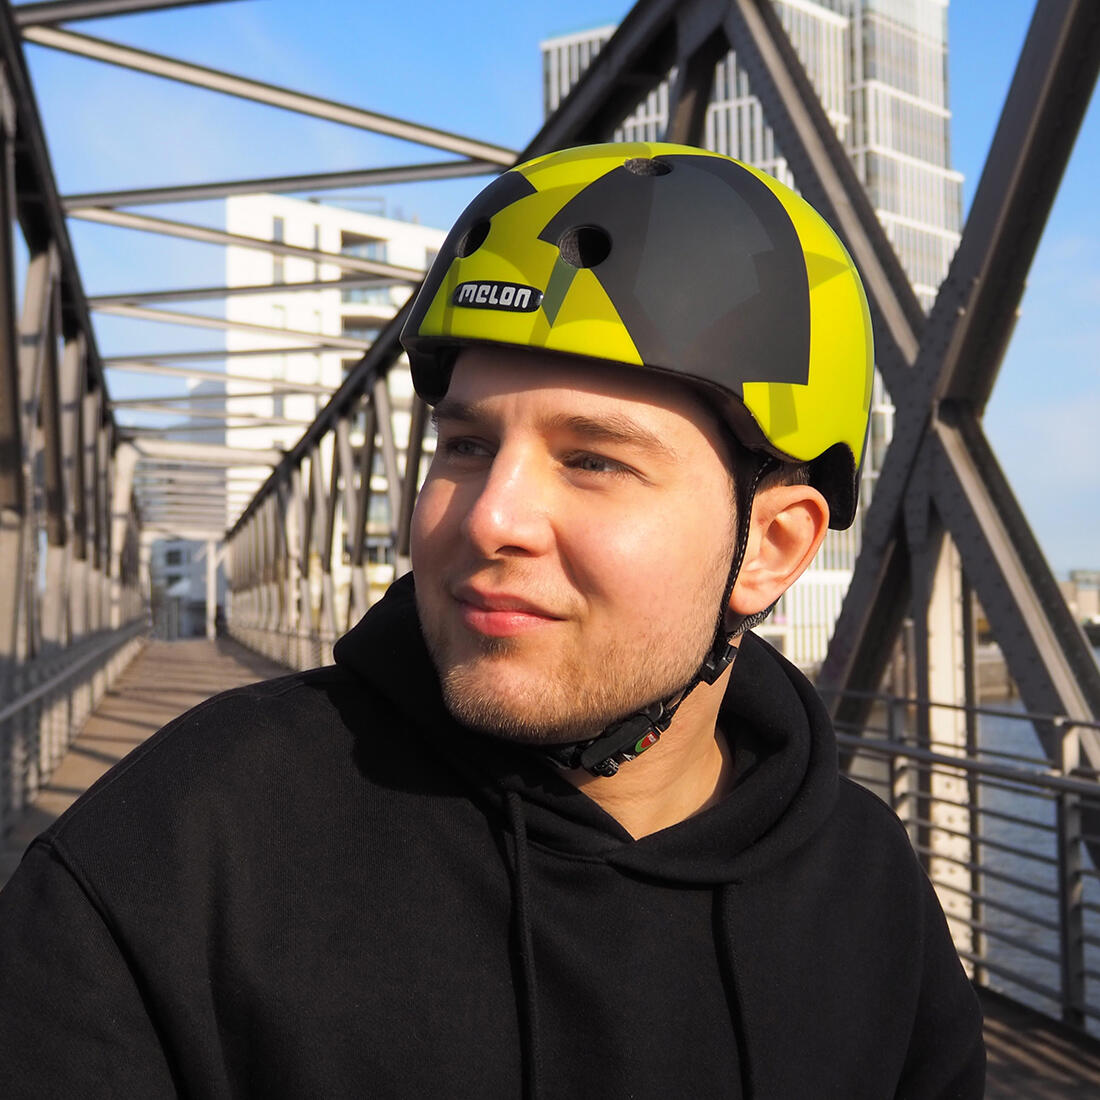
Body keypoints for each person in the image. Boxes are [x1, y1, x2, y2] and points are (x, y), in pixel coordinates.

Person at [0, 142, 984, 1098]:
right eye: (464, 444)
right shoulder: (181, 844)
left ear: (770, 547)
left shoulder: (866, 898)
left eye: (592, 460)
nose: (488, 516)